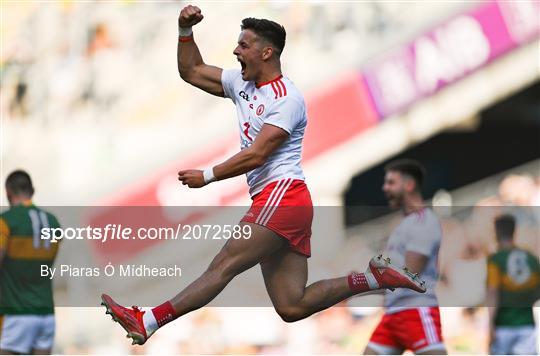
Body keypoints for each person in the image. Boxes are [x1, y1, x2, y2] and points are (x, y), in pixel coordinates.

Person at [101, 5, 426, 346]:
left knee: (222, 265)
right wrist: (185, 31)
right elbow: (192, 70)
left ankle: (148, 319)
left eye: (244, 45)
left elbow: (257, 153)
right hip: (280, 199)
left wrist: (208, 175)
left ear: (266, 52)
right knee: (291, 305)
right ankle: (373, 279)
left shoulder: (287, 99)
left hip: (283, 196)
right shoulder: (241, 83)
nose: (235, 51)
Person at [364, 159, 447, 355]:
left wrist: (367, 281)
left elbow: (409, 275)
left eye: (391, 182)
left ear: (409, 185)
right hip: (393, 313)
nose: (385, 188)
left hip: (415, 311)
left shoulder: (423, 222)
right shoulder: (404, 224)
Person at [0, 170, 61, 354]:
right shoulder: (53, 222)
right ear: (32, 190)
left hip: (15, 314)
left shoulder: (6, 222)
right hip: (46, 312)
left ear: (8, 193)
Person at [487, 214, 540, 355]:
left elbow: (493, 292)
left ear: (496, 232)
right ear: (514, 231)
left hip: (503, 325)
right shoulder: (531, 258)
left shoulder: (496, 259)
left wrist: (490, 323)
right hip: (527, 323)